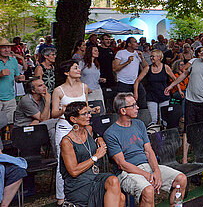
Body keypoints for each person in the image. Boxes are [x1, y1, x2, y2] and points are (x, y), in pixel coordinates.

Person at [104, 93, 187, 207]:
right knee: (148, 190)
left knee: (181, 179)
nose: (137, 107)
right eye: (133, 105)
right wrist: (147, 175)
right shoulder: (111, 133)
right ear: (123, 111)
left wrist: (156, 170)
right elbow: (122, 164)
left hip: (147, 166)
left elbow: (148, 151)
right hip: (127, 172)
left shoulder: (139, 124)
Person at [60, 102, 125, 207]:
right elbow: (73, 171)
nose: (89, 116)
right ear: (73, 119)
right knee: (119, 195)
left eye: (89, 113)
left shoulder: (88, 130)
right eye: (84, 114)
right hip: (78, 185)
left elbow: (96, 136)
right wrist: (95, 157)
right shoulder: (67, 142)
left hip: (94, 177)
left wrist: (99, 139)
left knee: (119, 193)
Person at [165, 44, 203, 163]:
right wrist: (172, 85)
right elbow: (184, 74)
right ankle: (185, 159)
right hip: (190, 101)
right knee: (187, 129)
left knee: (201, 130)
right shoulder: (195, 62)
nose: (201, 53)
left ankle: (199, 157)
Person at [51, 60, 91, 205]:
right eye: (75, 68)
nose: (79, 70)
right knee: (63, 163)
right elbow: (54, 113)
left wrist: (92, 110)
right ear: (67, 72)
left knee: (84, 159)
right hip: (64, 128)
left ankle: (82, 192)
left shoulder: (84, 87)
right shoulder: (58, 90)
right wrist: (64, 109)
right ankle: (61, 199)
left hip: (81, 129)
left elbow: (85, 108)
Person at [135, 49, 177, 125]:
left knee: (164, 120)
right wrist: (136, 93)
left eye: (153, 56)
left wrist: (172, 87)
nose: (151, 58)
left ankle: (164, 135)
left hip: (163, 95)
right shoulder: (148, 68)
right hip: (151, 96)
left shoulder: (165, 67)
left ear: (159, 57)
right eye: (151, 56)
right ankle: (153, 134)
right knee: (153, 119)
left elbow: (175, 79)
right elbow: (137, 81)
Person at [14, 77, 56, 149]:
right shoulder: (26, 100)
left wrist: (46, 102)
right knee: (58, 122)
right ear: (33, 90)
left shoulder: (43, 98)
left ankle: (58, 157)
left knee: (53, 131)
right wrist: (48, 102)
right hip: (24, 130)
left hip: (38, 126)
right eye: (40, 86)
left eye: (44, 84)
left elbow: (46, 118)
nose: (44, 87)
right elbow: (43, 119)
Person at [113, 37, 149, 109]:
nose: (137, 44)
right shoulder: (121, 53)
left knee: (141, 99)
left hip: (135, 82)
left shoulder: (137, 53)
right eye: (135, 42)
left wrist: (142, 58)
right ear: (129, 44)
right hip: (123, 82)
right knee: (123, 104)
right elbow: (115, 68)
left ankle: (140, 117)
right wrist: (127, 62)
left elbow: (146, 67)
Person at [0, 38, 25, 123]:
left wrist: (19, 78)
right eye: (4, 47)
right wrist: (0, 74)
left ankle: (9, 137)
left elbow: (16, 77)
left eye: (8, 47)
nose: (7, 50)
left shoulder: (13, 60)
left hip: (10, 97)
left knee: (10, 123)